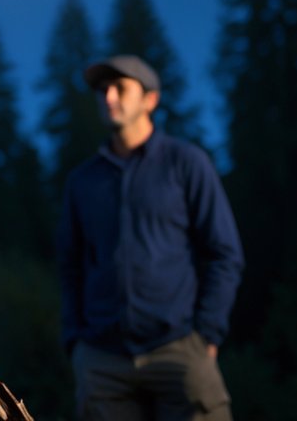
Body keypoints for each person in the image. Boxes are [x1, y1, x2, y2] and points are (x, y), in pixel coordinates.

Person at [58, 54, 244, 420]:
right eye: (102, 90)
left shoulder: (186, 163)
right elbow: (70, 265)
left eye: (120, 88)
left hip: (178, 349)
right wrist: (75, 342)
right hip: (102, 359)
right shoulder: (83, 182)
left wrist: (207, 334)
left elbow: (224, 253)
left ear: (150, 99)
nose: (108, 97)